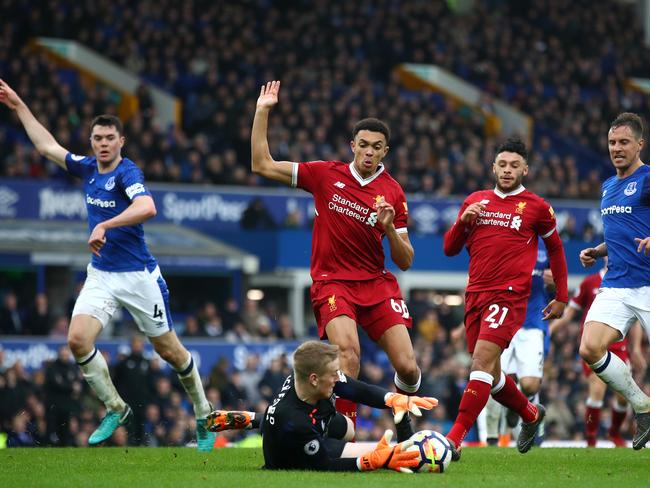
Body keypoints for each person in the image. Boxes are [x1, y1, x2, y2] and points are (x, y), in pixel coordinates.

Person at [0, 78, 216, 452]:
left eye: (109, 138)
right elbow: (47, 146)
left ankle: (203, 411)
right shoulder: (87, 169)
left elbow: (147, 207)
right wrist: (19, 105)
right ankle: (116, 407)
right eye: (97, 138)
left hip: (138, 277)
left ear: (120, 142)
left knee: (171, 352)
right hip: (101, 274)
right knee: (77, 340)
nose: (102, 144)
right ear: (92, 142)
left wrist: (105, 223)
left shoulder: (127, 172)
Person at [251, 80, 420, 440]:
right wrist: (262, 111)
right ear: (352, 146)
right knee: (348, 354)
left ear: (385, 151)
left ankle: (403, 414)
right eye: (363, 145)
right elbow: (261, 164)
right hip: (333, 282)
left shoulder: (393, 192)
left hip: (376, 283)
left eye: (376, 147)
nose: (369, 152)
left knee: (408, 367)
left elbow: (405, 261)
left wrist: (389, 230)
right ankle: (347, 434)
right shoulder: (325, 175)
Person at [443, 137, 569, 459]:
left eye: (514, 165)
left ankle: (453, 440)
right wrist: (463, 221)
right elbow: (450, 249)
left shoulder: (537, 207)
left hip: (510, 296)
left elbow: (555, 248)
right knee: (494, 374)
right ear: (493, 168)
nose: (508, 170)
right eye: (502, 164)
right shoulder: (475, 201)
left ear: (525, 169)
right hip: (475, 295)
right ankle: (529, 414)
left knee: (480, 363)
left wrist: (562, 296)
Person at [205, 341, 437, 472]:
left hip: (304, 421)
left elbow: (357, 389)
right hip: (292, 457)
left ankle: (242, 418)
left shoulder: (310, 381)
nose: (338, 377)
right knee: (379, 456)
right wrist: (371, 462)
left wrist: (391, 399)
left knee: (349, 429)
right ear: (314, 379)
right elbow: (324, 465)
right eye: (333, 374)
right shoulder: (296, 422)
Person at [577, 112, 650, 450]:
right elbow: (624, 232)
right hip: (618, 283)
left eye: (624, 142)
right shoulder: (608, 186)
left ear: (640, 144)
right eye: (612, 143)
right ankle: (642, 405)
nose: (617, 148)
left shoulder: (648, 179)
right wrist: (599, 250)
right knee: (590, 347)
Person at [551, 262, 646, 447]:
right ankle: (591, 439)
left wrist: (635, 349)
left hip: (619, 346)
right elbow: (570, 313)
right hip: (594, 345)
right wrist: (550, 330)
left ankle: (614, 433)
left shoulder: (627, 282)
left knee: (623, 396)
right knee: (597, 389)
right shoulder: (589, 282)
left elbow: (634, 320)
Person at [484, 240, 554, 445]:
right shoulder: (505, 236)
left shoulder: (546, 244)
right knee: (491, 378)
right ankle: (491, 440)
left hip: (532, 323)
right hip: (504, 319)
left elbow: (556, 293)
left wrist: (554, 284)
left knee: (530, 385)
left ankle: (517, 407)